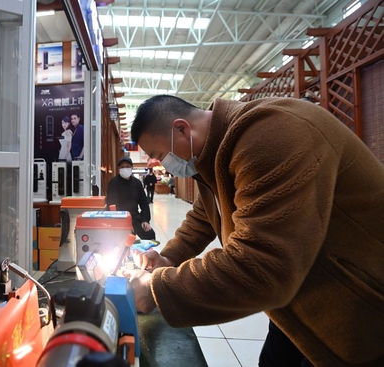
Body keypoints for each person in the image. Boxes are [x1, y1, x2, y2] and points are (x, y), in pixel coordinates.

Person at [124, 95, 384, 367]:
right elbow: (205, 214)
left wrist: (157, 288)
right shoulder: (212, 153)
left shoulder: (269, 135)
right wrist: (168, 258)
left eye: (159, 155)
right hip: (299, 301)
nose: (161, 164)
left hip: (359, 306)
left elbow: (260, 265)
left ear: (181, 129)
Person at [106, 156, 156, 240]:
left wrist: (145, 220)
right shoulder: (114, 183)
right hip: (119, 219)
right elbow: (112, 203)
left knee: (150, 234)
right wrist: (125, 224)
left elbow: (144, 203)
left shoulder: (137, 183)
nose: (125, 169)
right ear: (118, 169)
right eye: (122, 167)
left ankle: (147, 253)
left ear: (131, 168)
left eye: (127, 167)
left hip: (135, 218)